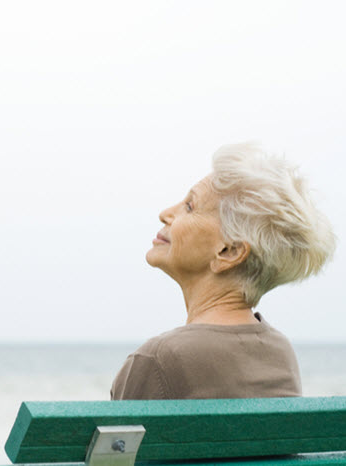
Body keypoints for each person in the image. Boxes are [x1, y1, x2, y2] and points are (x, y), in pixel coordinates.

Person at [111, 142, 336, 400]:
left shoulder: (158, 360)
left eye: (190, 206)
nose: (165, 213)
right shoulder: (280, 352)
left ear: (228, 252)